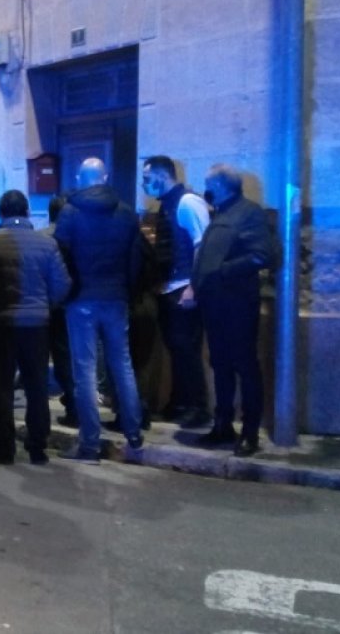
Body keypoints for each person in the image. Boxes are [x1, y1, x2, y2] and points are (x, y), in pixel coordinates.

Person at [53, 157, 146, 463]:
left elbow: (61, 257)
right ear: (105, 177)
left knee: (85, 371)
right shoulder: (126, 213)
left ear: (81, 178)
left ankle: (90, 444)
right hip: (116, 297)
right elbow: (136, 259)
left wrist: (67, 292)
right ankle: (133, 433)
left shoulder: (70, 213)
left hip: (81, 299)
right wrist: (127, 292)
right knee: (122, 364)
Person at [0, 190, 71, 466]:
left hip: (2, 323)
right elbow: (62, 284)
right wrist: (45, 304)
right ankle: (37, 447)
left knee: (0, 387)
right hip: (37, 325)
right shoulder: (46, 244)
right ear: (28, 212)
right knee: (36, 387)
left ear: (1, 213)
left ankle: (3, 448)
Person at [192, 164, 274, 456]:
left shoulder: (248, 212)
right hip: (216, 304)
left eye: (208, 183)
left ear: (223, 185)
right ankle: (222, 425)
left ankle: (250, 433)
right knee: (221, 365)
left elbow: (261, 255)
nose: (205, 188)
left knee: (245, 366)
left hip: (237, 304)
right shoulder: (222, 212)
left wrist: (222, 272)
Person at [141, 155, 212, 427]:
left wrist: (192, 288)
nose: (144, 185)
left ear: (162, 175)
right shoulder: (170, 204)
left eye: (147, 179)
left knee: (186, 349)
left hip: (184, 288)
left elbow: (202, 246)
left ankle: (197, 407)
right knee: (177, 349)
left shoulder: (187, 202)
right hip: (172, 288)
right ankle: (180, 402)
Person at [43, 194, 77, 427]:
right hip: (75, 303)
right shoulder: (81, 236)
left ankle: (71, 404)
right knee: (71, 357)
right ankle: (75, 404)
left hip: (50, 305)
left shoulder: (44, 237)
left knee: (56, 357)